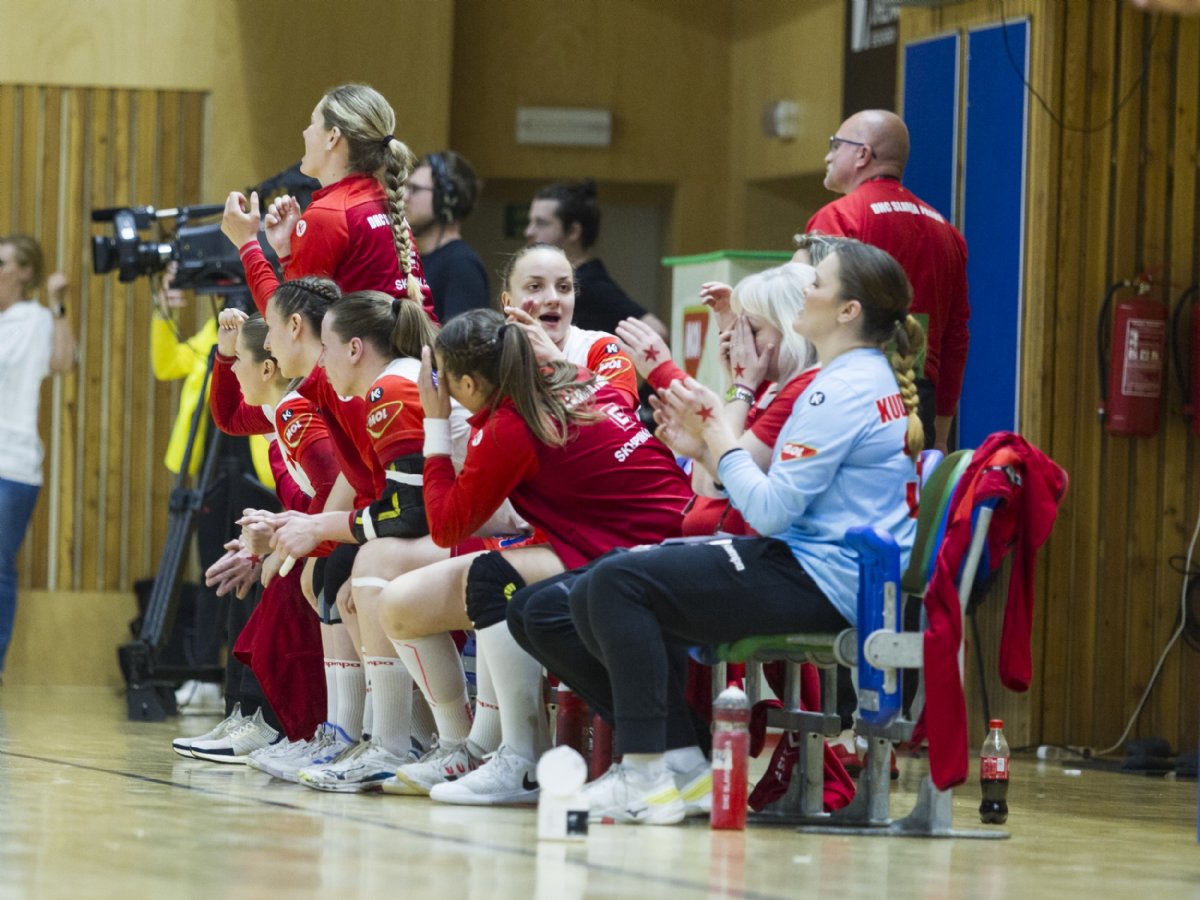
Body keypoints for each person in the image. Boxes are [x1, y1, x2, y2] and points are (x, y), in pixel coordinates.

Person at [521, 240, 925, 825]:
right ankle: (683, 765)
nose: (806, 291)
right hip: (818, 566)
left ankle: (647, 773)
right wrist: (710, 447)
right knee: (599, 586)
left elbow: (770, 510)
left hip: (822, 578)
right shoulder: (853, 379)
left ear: (848, 311)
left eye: (818, 284)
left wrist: (715, 437)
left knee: (617, 583)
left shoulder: (837, 389)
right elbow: (754, 494)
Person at [367, 306, 691, 805]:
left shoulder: (508, 426)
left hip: (641, 547)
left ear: (469, 384)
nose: (441, 389)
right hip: (655, 534)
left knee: (494, 581)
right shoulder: (576, 377)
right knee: (404, 604)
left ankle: (521, 758)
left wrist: (435, 423)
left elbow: (446, 526)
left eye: (445, 380)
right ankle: (464, 746)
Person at [806, 110, 969, 455]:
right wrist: (940, 434)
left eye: (835, 145)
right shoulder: (948, 233)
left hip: (846, 396)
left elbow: (811, 321)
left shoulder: (839, 218)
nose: (827, 156)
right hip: (917, 402)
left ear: (863, 154)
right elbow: (955, 339)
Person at [222, 82, 434, 321]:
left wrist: (247, 244)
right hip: (414, 344)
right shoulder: (380, 202)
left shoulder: (330, 213)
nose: (305, 132)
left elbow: (286, 322)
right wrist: (287, 253)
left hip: (368, 346)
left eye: (313, 123)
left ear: (332, 137)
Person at [0, 235, 76, 679]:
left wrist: (58, 304)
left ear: (25, 272)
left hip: (13, 464)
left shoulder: (35, 319)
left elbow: (63, 362)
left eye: (2, 262)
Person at [525, 179, 668, 340]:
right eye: (530, 222)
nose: (529, 232)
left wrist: (606, 354)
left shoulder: (589, 284)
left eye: (541, 223)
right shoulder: (567, 282)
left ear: (573, 231)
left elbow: (656, 331)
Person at [406, 151, 491, 322]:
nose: (404, 197)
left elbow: (463, 339)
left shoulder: (462, 265)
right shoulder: (412, 259)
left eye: (415, 189)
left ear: (446, 200)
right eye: (405, 188)